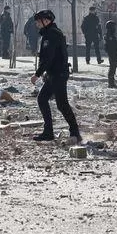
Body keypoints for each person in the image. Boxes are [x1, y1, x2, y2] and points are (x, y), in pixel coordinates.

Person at [31, 9, 82, 143]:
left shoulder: (51, 35)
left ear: (46, 21)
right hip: (55, 73)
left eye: (38, 21)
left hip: (58, 74)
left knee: (60, 104)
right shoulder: (50, 33)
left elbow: (49, 57)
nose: (37, 24)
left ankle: (73, 132)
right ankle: (51, 132)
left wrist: (37, 74)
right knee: (46, 100)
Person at [104, 20, 117, 88]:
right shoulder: (109, 35)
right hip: (112, 53)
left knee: (113, 67)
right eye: (113, 26)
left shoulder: (110, 34)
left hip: (113, 53)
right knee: (112, 67)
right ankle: (111, 83)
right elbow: (112, 45)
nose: (114, 28)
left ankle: (112, 82)